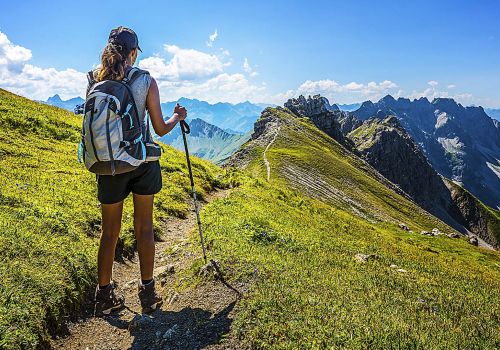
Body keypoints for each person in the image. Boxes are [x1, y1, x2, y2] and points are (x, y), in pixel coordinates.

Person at [89, 26, 187, 316]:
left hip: (108, 165)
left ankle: (104, 296)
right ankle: (147, 293)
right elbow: (159, 128)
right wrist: (177, 117)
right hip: (142, 162)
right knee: (144, 227)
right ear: (134, 52)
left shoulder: (94, 80)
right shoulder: (146, 80)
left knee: (110, 232)